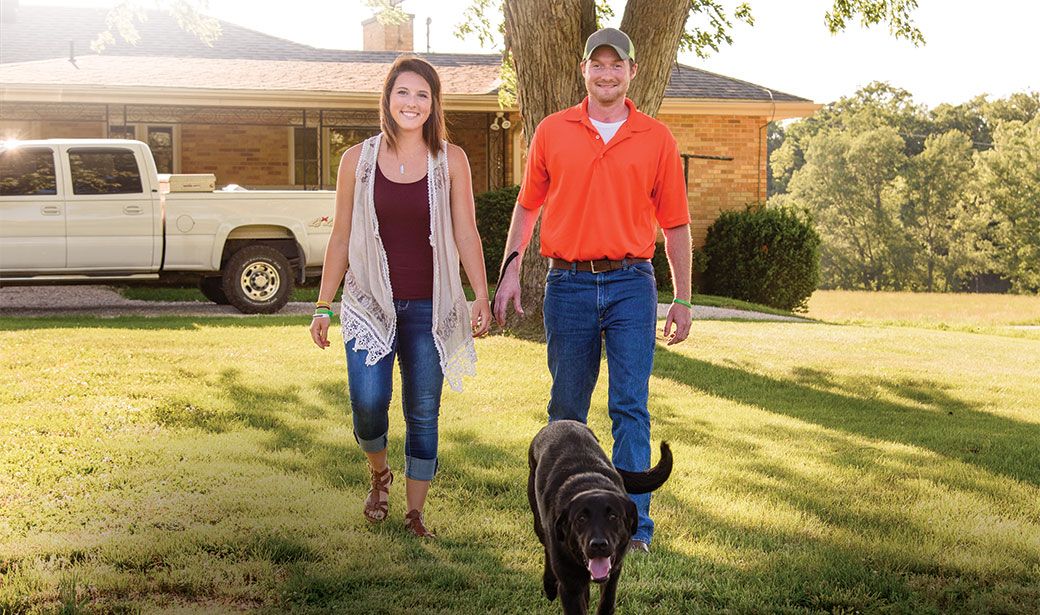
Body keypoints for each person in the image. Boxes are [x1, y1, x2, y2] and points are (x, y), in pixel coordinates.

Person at [493, 28, 693, 553]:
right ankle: (564, 523)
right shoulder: (553, 131)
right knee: (566, 412)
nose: (607, 73)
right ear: (584, 70)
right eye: (597, 64)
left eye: (617, 65)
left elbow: (675, 225)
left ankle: (634, 530)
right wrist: (510, 269)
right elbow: (527, 207)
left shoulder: (656, 138)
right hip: (568, 284)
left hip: (632, 283)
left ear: (632, 72)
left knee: (630, 406)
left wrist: (684, 297)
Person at [310, 55, 490, 539]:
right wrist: (323, 304)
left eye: (422, 95)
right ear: (387, 99)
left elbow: (467, 233)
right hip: (369, 304)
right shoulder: (357, 161)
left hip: (431, 308)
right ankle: (379, 474)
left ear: (433, 106)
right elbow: (342, 237)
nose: (411, 103)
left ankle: (414, 513)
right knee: (368, 403)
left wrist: (481, 295)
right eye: (403, 93)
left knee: (423, 410)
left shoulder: (450, 161)